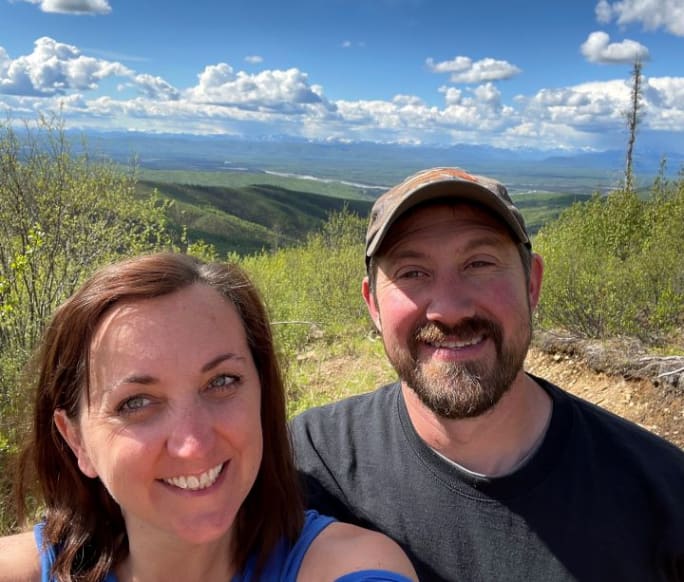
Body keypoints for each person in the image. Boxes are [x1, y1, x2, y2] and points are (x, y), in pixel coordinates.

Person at [290, 167, 684, 581]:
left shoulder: (663, 496)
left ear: (531, 285)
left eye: (479, 263)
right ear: (373, 305)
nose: (450, 309)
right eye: (412, 272)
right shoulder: (307, 465)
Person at [0, 253, 417, 582]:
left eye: (222, 381)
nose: (193, 444)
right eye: (136, 403)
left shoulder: (346, 565)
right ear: (76, 440)